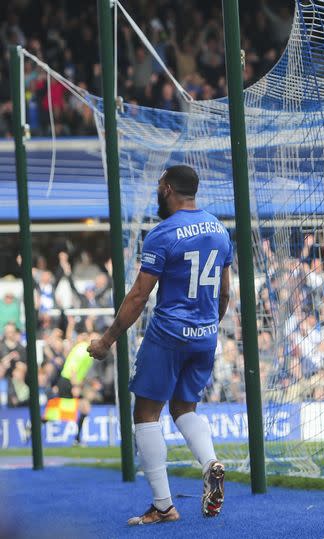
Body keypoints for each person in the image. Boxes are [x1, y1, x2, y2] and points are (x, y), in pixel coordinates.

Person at [88, 165, 231, 525]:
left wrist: (107, 340)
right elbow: (226, 291)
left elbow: (139, 295)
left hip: (169, 333)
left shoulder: (163, 233)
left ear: (167, 188)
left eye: (158, 187)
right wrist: (210, 325)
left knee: (146, 415)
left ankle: (164, 506)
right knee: (185, 409)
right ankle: (210, 461)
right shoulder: (219, 229)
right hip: (205, 333)